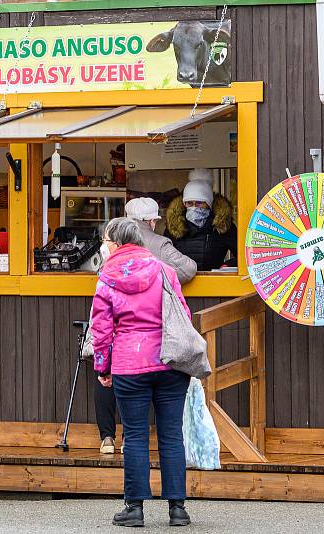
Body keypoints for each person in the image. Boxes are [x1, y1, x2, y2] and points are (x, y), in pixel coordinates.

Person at [92, 217, 192, 528]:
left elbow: (101, 326)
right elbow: (182, 314)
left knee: (134, 435)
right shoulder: (164, 269)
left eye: (108, 240)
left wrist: (103, 366)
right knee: (171, 435)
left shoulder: (107, 275)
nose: (105, 245)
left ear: (118, 243)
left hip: (129, 363)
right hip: (169, 360)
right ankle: (178, 510)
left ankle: (134, 508)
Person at [92, 197, 197, 455]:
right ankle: (131, 438)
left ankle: (107, 438)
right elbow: (189, 268)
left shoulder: (112, 245)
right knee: (165, 432)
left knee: (106, 376)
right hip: (148, 339)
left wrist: (101, 362)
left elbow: (101, 294)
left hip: (114, 325)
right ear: (151, 221)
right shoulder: (159, 246)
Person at [165, 168, 238, 271]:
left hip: (214, 282)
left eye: (199, 203)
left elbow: (243, 255)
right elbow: (163, 257)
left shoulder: (223, 226)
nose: (194, 207)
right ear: (184, 204)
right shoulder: (173, 227)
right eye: (189, 203)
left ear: (209, 204)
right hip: (181, 284)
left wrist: (228, 266)